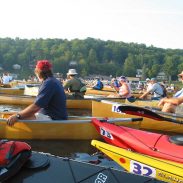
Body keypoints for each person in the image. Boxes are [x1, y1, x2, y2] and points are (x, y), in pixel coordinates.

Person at [7, 60, 67, 126]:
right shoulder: (53, 81)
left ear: (38, 72)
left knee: (19, 117)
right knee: (21, 114)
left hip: (53, 119)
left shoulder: (48, 83)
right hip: (55, 117)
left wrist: (18, 116)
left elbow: (36, 107)